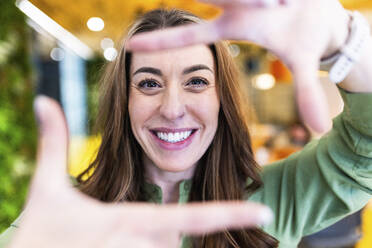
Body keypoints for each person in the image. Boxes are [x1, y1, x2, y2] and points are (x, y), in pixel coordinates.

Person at [2, 0, 372, 247]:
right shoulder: (73, 214)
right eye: (149, 83)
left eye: (196, 81)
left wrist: (345, 39)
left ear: (220, 99)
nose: (173, 108)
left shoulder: (277, 195)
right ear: (123, 103)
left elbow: (364, 151)